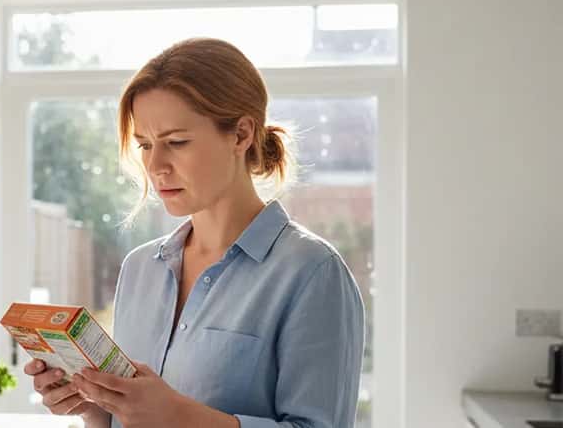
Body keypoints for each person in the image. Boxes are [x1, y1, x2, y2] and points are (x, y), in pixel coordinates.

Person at [23, 38, 365, 428]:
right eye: (145, 145)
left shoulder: (313, 273)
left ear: (241, 135)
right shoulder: (140, 269)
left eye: (176, 142)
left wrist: (180, 417)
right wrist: (94, 405)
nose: (155, 165)